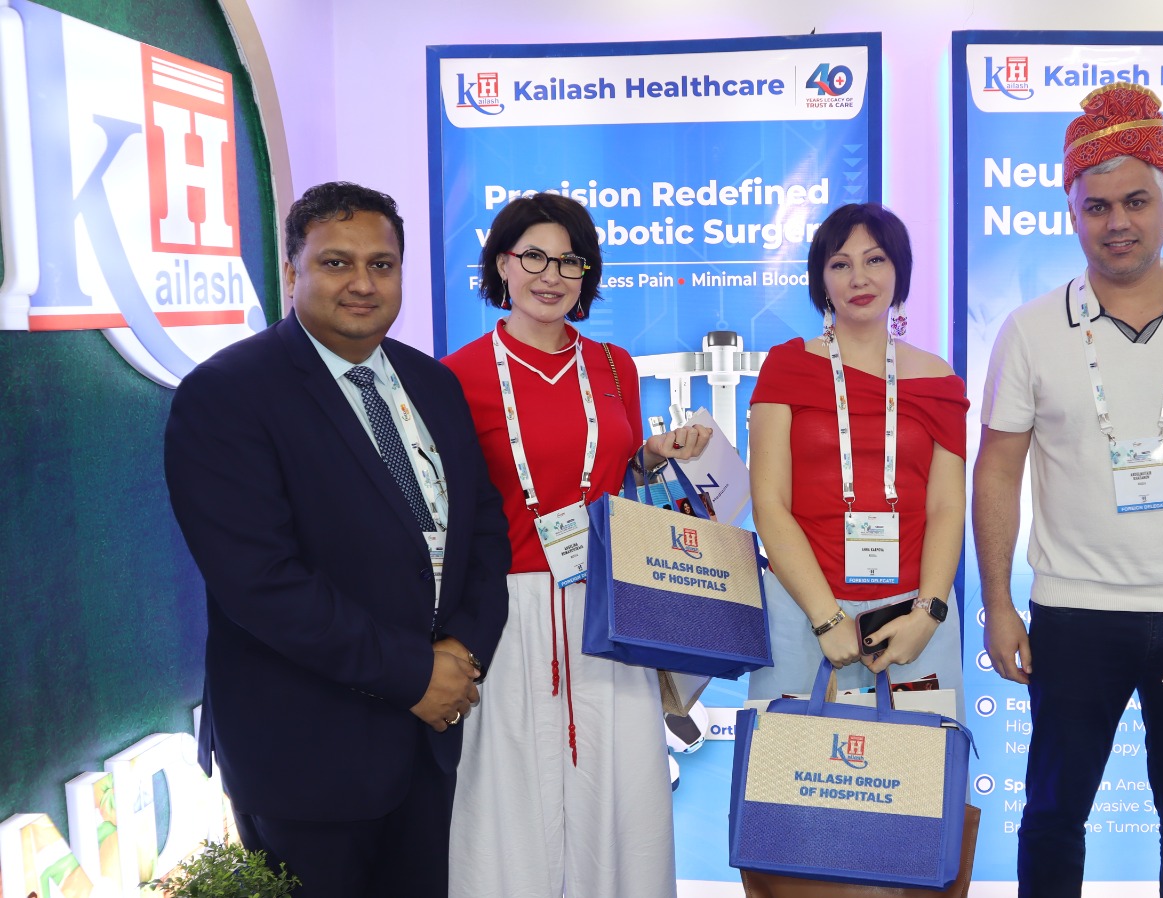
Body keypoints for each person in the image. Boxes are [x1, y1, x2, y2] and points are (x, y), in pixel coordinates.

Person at [972, 82, 1163, 898]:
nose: (1118, 222)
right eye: (1097, 206)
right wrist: (999, 604)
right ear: (1072, 215)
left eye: (1136, 201)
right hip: (1074, 612)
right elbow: (997, 467)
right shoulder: (1030, 330)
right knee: (1053, 814)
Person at [164, 182, 512, 898]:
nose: (362, 283)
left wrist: (463, 651)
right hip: (307, 757)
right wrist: (416, 674)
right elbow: (261, 583)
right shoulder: (227, 394)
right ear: (292, 270)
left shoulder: (432, 382)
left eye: (382, 265)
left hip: (428, 745)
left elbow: (482, 529)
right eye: (336, 262)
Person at [442, 193, 710, 898]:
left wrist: (651, 456)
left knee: (620, 798)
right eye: (534, 256)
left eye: (570, 261)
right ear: (502, 264)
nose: (551, 275)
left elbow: (614, 478)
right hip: (508, 611)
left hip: (609, 607)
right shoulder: (456, 376)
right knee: (507, 802)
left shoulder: (616, 366)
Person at [747, 203, 968, 711]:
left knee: (916, 762)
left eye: (875, 260)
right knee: (794, 763)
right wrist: (826, 618)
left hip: (911, 617)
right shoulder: (787, 367)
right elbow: (769, 503)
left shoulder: (938, 380)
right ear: (821, 279)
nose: (859, 278)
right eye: (840, 264)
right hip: (801, 612)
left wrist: (928, 614)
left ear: (899, 269)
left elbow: (947, 507)